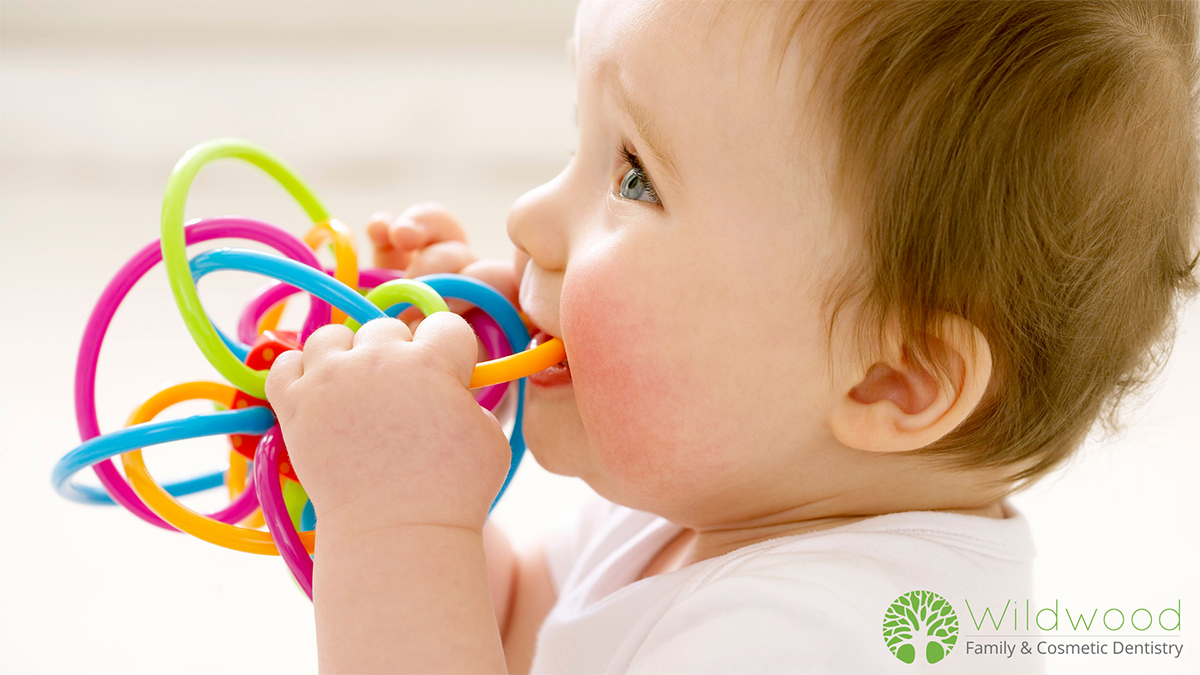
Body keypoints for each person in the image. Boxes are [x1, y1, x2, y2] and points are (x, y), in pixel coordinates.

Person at [263, 1, 1200, 672]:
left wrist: (394, 525)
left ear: (891, 380)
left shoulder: (812, 641)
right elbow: (514, 632)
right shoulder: (724, 482)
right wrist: (399, 473)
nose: (526, 217)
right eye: (577, 142)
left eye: (633, 177)